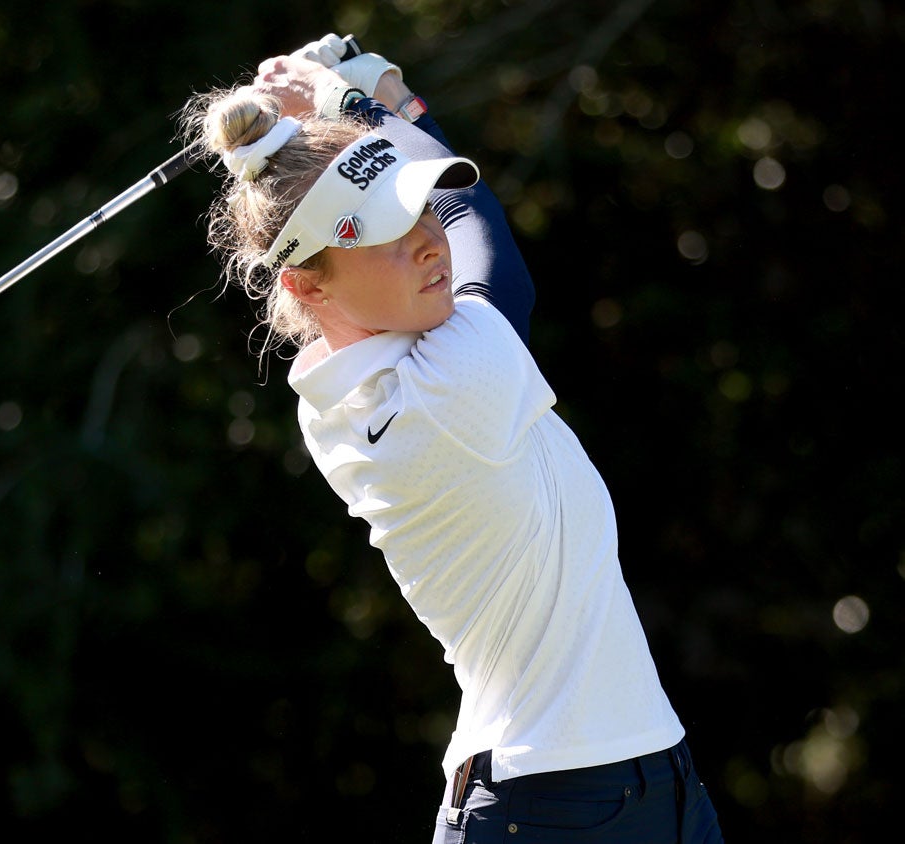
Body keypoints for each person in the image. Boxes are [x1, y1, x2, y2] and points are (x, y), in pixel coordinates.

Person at [178, 36, 725, 843]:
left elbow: (451, 211)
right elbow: (483, 230)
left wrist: (361, 118)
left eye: (420, 208)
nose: (427, 240)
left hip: (651, 783)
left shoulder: (368, 367)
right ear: (303, 283)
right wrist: (358, 102)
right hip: (551, 811)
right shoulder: (439, 395)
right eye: (382, 233)